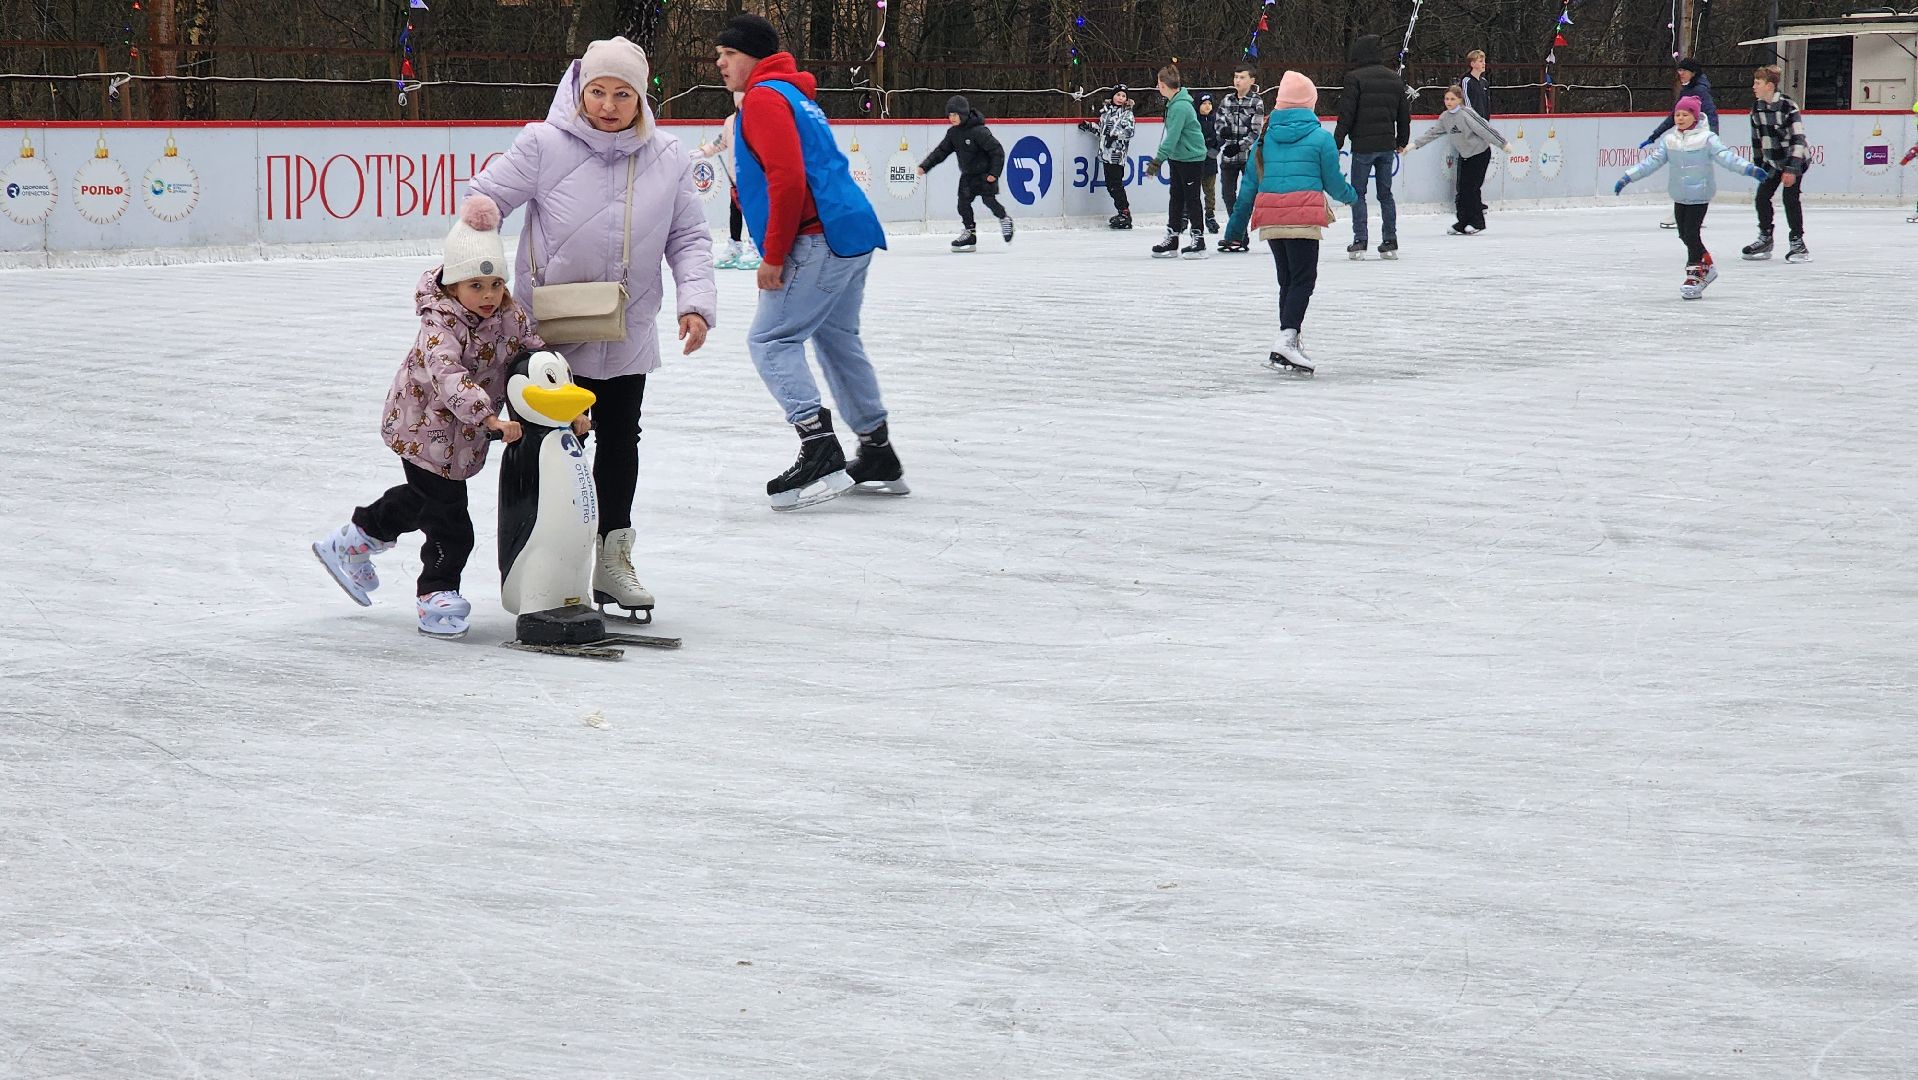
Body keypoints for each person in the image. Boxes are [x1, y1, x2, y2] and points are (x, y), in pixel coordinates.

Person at [468, 35, 716, 621]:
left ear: (641, 98)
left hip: (628, 325)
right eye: (598, 91)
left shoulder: (668, 156)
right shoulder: (543, 144)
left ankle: (612, 559)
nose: (608, 105)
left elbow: (689, 237)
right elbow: (485, 200)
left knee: (621, 438)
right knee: (547, 447)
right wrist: (478, 267)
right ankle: (541, 562)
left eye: (623, 94)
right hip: (550, 334)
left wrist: (696, 303)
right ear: (579, 91)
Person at [311, 197, 544, 638]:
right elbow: (447, 374)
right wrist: (489, 419)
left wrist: (567, 407)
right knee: (451, 523)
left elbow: (534, 354)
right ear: (453, 285)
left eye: (496, 284)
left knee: (422, 501)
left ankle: (354, 540)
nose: (488, 295)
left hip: (459, 437)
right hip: (421, 428)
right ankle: (436, 594)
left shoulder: (509, 315)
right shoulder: (440, 322)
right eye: (476, 285)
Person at [714, 14, 905, 510]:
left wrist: (774, 256)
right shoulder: (794, 94)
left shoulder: (763, 98)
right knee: (837, 338)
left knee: (770, 339)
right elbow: (790, 169)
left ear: (753, 56)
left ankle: (818, 445)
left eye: (728, 54)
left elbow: (789, 178)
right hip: (851, 230)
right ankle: (877, 449)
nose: (720, 63)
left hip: (819, 237)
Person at [1220, 71, 1359, 374]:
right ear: (1309, 103)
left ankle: (1289, 342)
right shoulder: (1321, 137)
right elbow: (1333, 182)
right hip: (1302, 217)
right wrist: (1352, 196)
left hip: (1271, 217)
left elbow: (1248, 188)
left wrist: (1234, 229)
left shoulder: (1265, 137)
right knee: (1303, 280)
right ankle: (1287, 338)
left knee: (1288, 280)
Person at [1614, 95, 1767, 300]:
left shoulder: (1707, 139)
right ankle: (1707, 266)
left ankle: (1695, 274)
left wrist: (1749, 169)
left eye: (1685, 114)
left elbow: (1727, 157)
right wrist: (1628, 177)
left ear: (1695, 116)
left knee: (1692, 234)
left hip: (1699, 194)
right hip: (1680, 194)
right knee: (1684, 234)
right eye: (1677, 114)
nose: (1680, 118)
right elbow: (1651, 163)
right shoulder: (1670, 140)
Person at [1334, 34, 1412, 260]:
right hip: (1387, 145)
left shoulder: (1354, 78)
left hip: (1363, 146)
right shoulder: (1394, 78)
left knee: (1358, 193)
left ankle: (1360, 240)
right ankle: (1390, 240)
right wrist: (1402, 141)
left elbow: (1346, 114)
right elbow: (1404, 115)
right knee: (1385, 194)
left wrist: (1336, 143)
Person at [1407, 84, 1512, 236]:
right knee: (1462, 190)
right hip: (1465, 155)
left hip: (1480, 153)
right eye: (1446, 99)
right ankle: (1462, 222)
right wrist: (1415, 144)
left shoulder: (1466, 114)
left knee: (1471, 189)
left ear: (1460, 100)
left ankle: (1477, 222)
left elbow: (1484, 128)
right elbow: (1433, 133)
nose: (1449, 102)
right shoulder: (1445, 117)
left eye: (1452, 99)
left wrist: (1503, 143)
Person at [918, 94, 1013, 252]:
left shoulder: (979, 131)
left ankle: (1004, 219)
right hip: (968, 175)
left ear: (963, 114)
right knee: (962, 204)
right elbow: (941, 152)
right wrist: (925, 166)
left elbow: (997, 151)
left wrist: (994, 173)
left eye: (955, 115)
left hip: (985, 174)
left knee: (989, 201)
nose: (952, 118)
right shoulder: (953, 134)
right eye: (950, 115)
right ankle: (970, 233)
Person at [1744, 65, 1811, 263]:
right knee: (1762, 197)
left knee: (1790, 198)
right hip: (1773, 162)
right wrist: (1758, 167)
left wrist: (1791, 169)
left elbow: (1798, 139)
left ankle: (1797, 241)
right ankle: (1765, 237)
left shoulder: (1788, 106)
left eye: (1758, 83)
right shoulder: (1757, 108)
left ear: (1770, 86)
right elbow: (1757, 141)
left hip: (1795, 158)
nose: (1754, 86)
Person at [692, 90, 763, 270]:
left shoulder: (758, 120)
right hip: (736, 178)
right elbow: (720, 142)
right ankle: (735, 245)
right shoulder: (731, 121)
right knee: (735, 211)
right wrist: (704, 151)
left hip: (755, 178)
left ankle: (757, 244)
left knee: (753, 213)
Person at [1146, 65, 1208, 259]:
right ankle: (1172, 238)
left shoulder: (1180, 106)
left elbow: (1172, 137)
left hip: (1191, 158)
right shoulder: (1173, 103)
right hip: (1178, 157)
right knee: (1176, 198)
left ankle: (1199, 240)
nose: (1157, 87)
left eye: (1158, 83)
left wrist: (1157, 161)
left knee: (1192, 199)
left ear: (1163, 85)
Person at [1078, 86, 1137, 229]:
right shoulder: (1106, 113)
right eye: (1118, 95)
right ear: (1112, 96)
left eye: (1123, 96)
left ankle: (1124, 212)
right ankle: (1122, 211)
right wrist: (1090, 126)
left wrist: (1115, 136)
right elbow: (1102, 131)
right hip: (1106, 154)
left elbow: (1129, 132)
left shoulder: (1127, 114)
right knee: (1111, 185)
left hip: (1117, 155)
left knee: (1116, 184)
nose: (1120, 98)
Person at [1215, 68, 1267, 230]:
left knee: (1247, 196)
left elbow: (1256, 132)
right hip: (1228, 156)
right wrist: (1223, 130)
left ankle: (1239, 229)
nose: (1238, 80)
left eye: (1242, 77)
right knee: (1227, 194)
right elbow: (1219, 122)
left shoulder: (1256, 102)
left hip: (1248, 157)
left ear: (1252, 80)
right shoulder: (1227, 100)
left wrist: (1239, 146)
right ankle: (1238, 228)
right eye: (1236, 77)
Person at [1198, 93, 1222, 234]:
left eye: (1209, 103)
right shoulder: (1193, 120)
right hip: (1195, 161)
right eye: (1204, 103)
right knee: (1191, 190)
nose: (1207, 106)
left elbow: (1220, 136)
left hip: (1210, 161)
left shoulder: (1216, 120)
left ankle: (1210, 215)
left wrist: (1214, 150)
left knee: (1210, 191)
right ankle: (1185, 214)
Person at [1461, 50, 1493, 120]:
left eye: (1484, 61)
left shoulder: (1484, 82)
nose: (1484, 64)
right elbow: (1467, 102)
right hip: (1471, 121)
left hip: (1484, 121)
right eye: (1480, 61)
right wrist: (1472, 119)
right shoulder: (1466, 81)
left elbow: (1487, 103)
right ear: (1472, 64)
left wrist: (1486, 119)